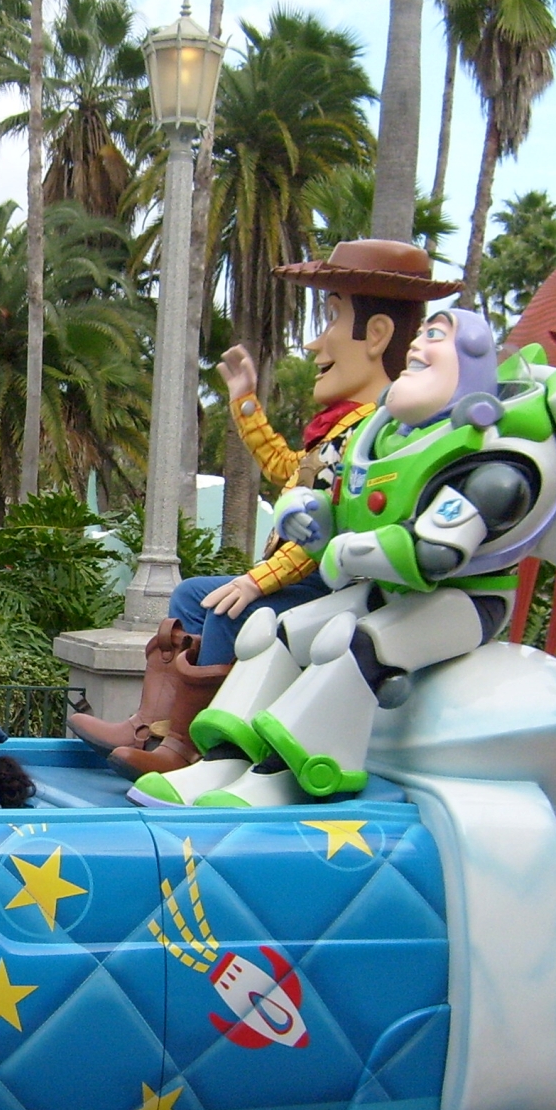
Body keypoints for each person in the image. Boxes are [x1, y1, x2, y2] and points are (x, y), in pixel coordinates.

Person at [70, 240, 463, 778]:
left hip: (337, 589)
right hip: (304, 581)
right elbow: (290, 470)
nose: (315, 341)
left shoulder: (378, 435)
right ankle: (157, 728)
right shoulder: (347, 427)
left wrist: (258, 581)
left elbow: (326, 526)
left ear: (375, 336)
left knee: (227, 606)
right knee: (191, 594)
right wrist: (245, 400)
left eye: (333, 317)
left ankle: (201, 749)